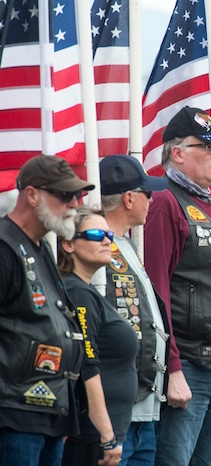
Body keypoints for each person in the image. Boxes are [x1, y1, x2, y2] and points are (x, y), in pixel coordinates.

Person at [143, 106, 211, 466]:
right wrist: (172, 369)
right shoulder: (164, 201)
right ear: (177, 153)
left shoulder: (209, 206)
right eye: (207, 147)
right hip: (187, 367)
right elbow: (156, 292)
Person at [0, 155, 92, 466]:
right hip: (13, 416)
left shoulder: (41, 247)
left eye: (77, 196)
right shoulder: (4, 245)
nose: (73, 204)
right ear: (32, 194)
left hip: (48, 414)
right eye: (65, 195)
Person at [98, 155, 170, 465]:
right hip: (115, 409)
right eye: (147, 193)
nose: (151, 200)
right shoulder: (96, 245)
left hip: (143, 407)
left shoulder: (125, 245)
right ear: (129, 198)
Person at [58, 206, 138, 466]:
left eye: (109, 235)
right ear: (68, 244)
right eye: (94, 234)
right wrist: (106, 436)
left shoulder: (85, 290)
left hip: (103, 434)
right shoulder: (78, 293)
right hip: (92, 437)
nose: (106, 240)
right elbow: (87, 366)